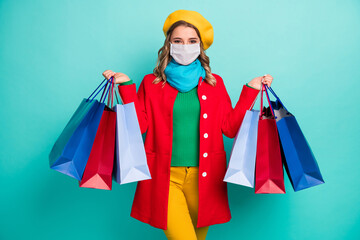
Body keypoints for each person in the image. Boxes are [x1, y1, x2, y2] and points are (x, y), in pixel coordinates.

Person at [102, 9, 273, 240]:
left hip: (206, 179)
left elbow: (229, 129)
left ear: (200, 46)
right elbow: (139, 127)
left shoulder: (215, 83)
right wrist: (126, 87)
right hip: (163, 177)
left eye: (192, 41)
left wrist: (250, 91)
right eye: (178, 41)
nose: (185, 46)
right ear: (169, 45)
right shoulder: (151, 83)